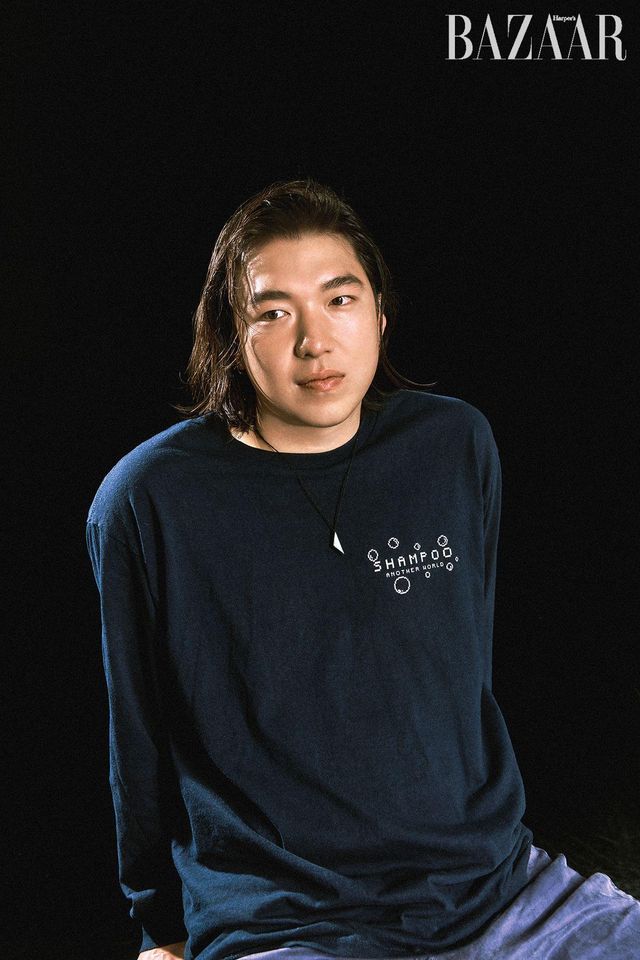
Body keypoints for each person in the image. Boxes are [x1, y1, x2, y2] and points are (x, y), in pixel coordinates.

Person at [86, 179, 639, 960]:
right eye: (273, 313)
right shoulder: (148, 500)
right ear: (229, 336)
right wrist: (158, 929)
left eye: (339, 300)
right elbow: (137, 736)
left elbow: (460, 675)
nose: (315, 341)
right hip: (288, 921)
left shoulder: (454, 445)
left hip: (498, 893)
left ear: (378, 313)